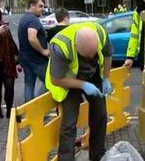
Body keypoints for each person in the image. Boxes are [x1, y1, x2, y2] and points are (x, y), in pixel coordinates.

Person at [45, 22, 113, 161]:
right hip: (69, 79)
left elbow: (107, 56)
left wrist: (106, 78)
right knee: (69, 122)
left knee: (100, 114)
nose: (90, 57)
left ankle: (97, 155)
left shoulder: (100, 33)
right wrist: (83, 85)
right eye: (86, 55)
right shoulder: (60, 46)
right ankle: (66, 158)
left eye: (93, 53)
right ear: (76, 46)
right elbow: (56, 79)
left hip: (93, 75)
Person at [18, 0, 50, 102]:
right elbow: (31, 38)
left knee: (29, 86)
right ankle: (38, 105)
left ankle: (29, 111)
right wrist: (43, 51)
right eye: (40, 6)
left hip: (26, 59)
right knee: (51, 81)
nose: (43, 9)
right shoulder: (33, 19)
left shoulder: (24, 18)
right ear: (32, 6)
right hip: (37, 60)